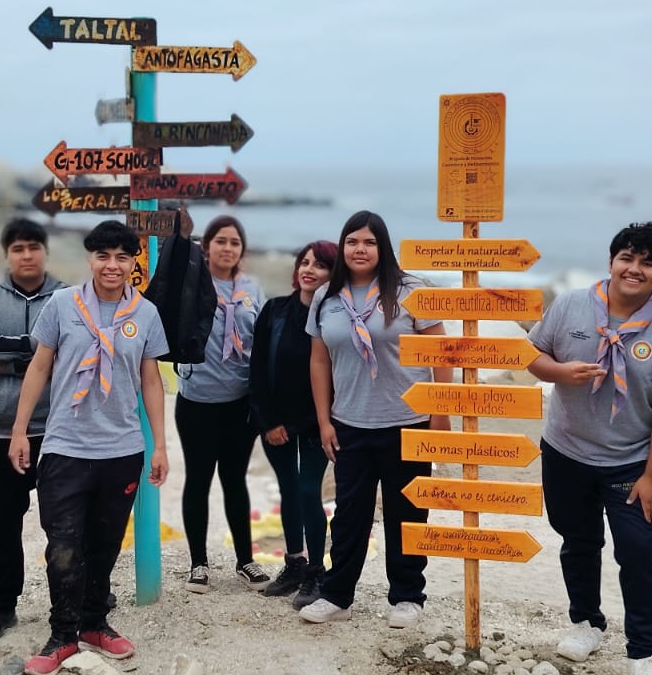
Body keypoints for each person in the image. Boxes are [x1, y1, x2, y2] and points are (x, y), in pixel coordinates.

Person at [526, 221, 652, 675]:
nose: (634, 269)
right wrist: (560, 373)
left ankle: (644, 653)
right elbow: (531, 353)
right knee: (577, 541)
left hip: (629, 462)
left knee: (639, 552)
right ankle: (586, 621)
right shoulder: (571, 305)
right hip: (565, 450)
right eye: (627, 258)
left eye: (648, 263)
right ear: (612, 261)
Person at [6, 220, 169, 675]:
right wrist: (20, 430)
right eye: (103, 256)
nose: (112, 265)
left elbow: (150, 380)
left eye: (121, 257)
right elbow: (39, 367)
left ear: (133, 262)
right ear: (90, 259)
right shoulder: (62, 305)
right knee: (62, 546)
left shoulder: (146, 314)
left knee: (105, 544)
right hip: (66, 447)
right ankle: (62, 635)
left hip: (121, 450)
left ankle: (95, 624)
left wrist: (159, 445)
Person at [299, 211, 450, 629]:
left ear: (382, 247)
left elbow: (441, 353)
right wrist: (324, 421)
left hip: (408, 421)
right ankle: (337, 595)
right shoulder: (327, 296)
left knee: (407, 512)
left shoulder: (411, 290)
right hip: (350, 423)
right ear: (343, 247)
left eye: (369, 242)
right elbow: (318, 361)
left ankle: (407, 596)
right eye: (352, 242)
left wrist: (441, 412)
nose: (360, 249)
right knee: (349, 514)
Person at [0, 217, 65, 642]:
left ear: (45, 251)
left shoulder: (66, 296)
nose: (27, 255)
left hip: (57, 428)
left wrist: (7, 357)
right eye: (18, 248)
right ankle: (2, 607)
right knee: (2, 527)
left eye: (33, 247)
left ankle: (76, 597)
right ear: (7, 254)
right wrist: (38, 350)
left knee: (65, 524)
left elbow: (71, 351)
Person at [176, 216, 266, 593]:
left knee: (235, 479)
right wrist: (180, 234)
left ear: (241, 250)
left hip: (239, 403)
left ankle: (245, 560)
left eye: (235, 242)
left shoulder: (252, 288)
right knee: (198, 480)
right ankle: (198, 563)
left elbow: (264, 339)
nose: (228, 248)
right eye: (221, 241)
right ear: (207, 246)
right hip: (197, 401)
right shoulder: (191, 282)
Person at [250, 240, 336, 607]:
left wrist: (324, 421)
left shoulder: (335, 317)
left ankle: (316, 571)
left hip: (317, 422)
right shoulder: (274, 310)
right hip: (276, 423)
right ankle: (294, 564)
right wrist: (268, 422)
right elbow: (256, 369)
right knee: (288, 489)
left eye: (319, 265)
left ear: (333, 275)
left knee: (307, 490)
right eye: (304, 262)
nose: (308, 270)